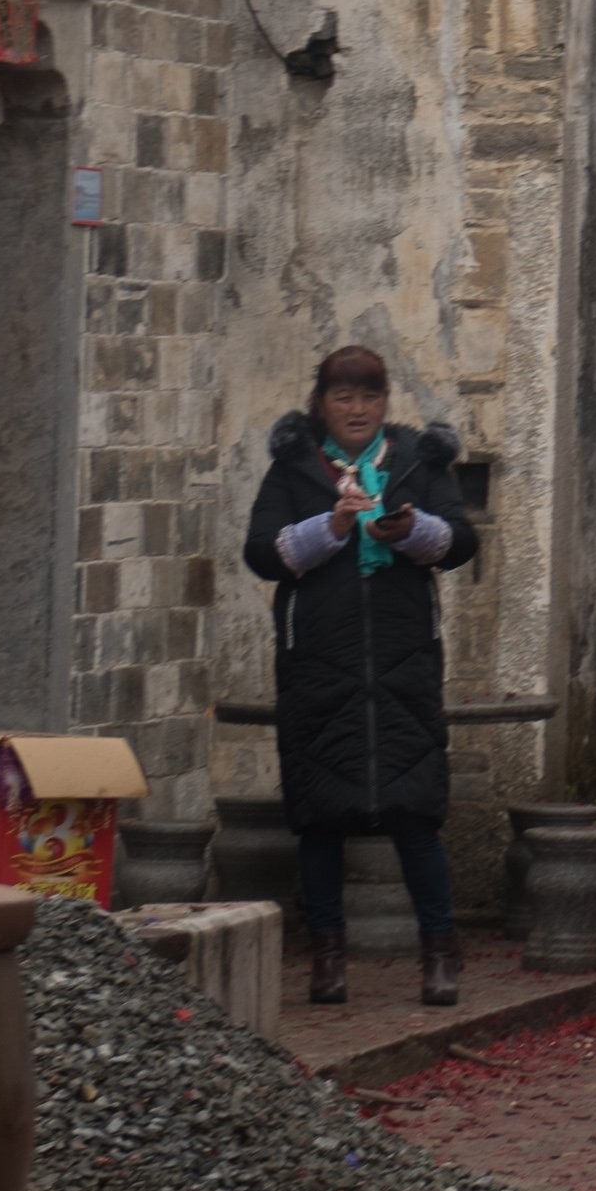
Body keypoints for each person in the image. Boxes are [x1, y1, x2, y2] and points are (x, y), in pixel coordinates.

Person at [240, 346, 489, 1010]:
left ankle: (440, 954)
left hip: (403, 668)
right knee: (321, 817)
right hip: (320, 668)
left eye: (369, 398)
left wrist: (411, 529)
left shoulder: (415, 462)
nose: (357, 410)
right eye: (343, 398)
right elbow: (262, 553)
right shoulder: (294, 469)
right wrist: (334, 524)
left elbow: (461, 544)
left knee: (415, 814)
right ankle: (327, 959)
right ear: (321, 404)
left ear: (386, 404)